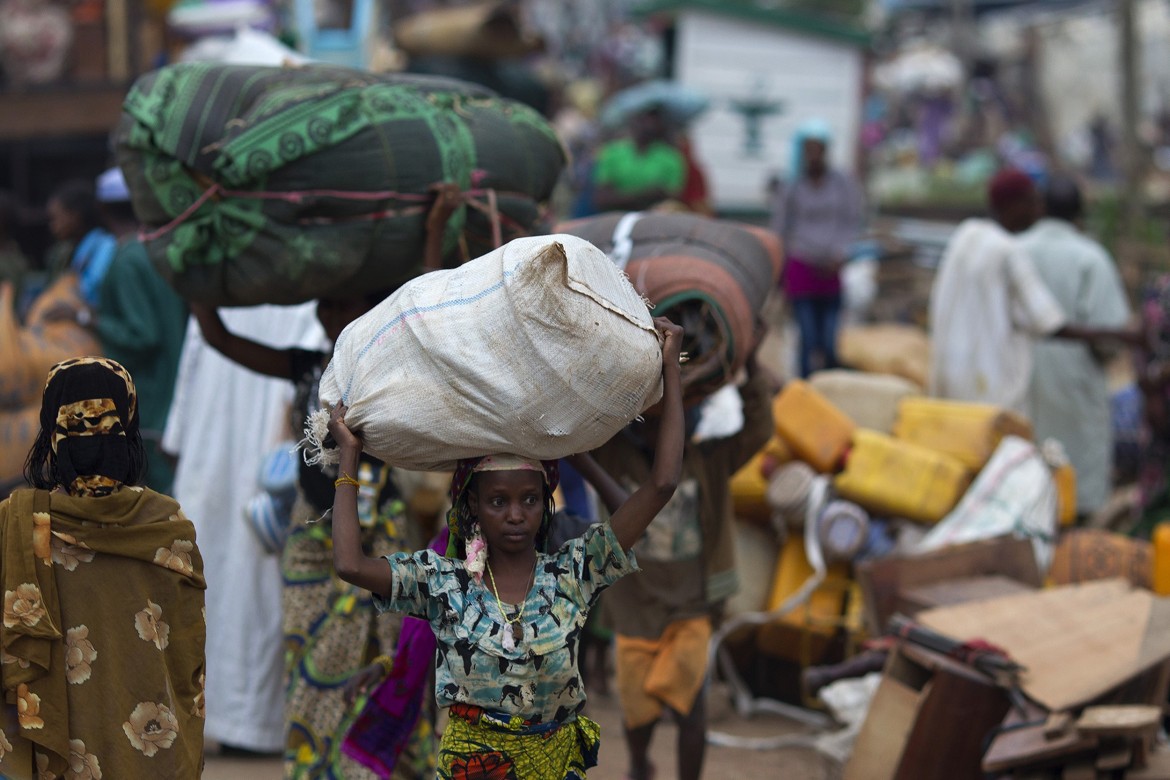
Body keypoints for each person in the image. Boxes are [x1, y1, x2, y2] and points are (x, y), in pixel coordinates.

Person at [326, 317, 686, 779]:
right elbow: (350, 564)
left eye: (529, 500)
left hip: (555, 765)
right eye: (499, 501)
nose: (516, 514)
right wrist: (350, 457)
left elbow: (662, 484)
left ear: (544, 504)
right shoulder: (443, 582)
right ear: (473, 504)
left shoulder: (574, 573)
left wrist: (670, 367)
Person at [191, 290, 437, 779]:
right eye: (326, 306)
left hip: (378, 530)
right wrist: (195, 279)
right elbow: (218, 338)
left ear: (366, 310)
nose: (332, 315)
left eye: (344, 304)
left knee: (387, 649)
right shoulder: (307, 365)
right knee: (306, 651)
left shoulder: (389, 362)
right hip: (310, 534)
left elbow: (427, 308)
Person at [0, 357, 206, 778]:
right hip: (148, 754)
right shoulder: (166, 528)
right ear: (128, 423)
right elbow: (187, 663)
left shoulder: (17, 523)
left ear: (50, 429)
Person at [590, 337, 773, 780]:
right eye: (651, 425)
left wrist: (749, 360)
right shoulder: (616, 459)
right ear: (636, 428)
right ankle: (638, 765)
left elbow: (760, 428)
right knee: (638, 713)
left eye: (671, 423)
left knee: (692, 710)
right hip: (635, 609)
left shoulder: (710, 462)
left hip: (691, 607)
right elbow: (582, 430)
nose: (661, 434)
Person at [162, 302, 324, 758]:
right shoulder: (309, 298)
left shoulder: (219, 294)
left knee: (215, 586)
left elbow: (186, 394)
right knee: (257, 593)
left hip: (212, 462)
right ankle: (256, 722)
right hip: (265, 474)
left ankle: (226, 716)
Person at [929, 168, 1140, 414]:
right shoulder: (1007, 250)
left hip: (954, 380)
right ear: (1015, 205)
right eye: (1032, 202)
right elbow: (1051, 324)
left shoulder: (967, 236)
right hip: (992, 389)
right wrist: (1127, 337)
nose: (1037, 211)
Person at [1019, 175, 1132, 519]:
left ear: (1040, 209)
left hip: (1021, 385)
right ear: (1079, 216)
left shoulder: (1016, 249)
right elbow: (1109, 337)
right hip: (1075, 390)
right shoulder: (1091, 258)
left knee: (1024, 486)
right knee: (1076, 497)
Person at [85, 167, 188, 494]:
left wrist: (91, 321)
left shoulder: (127, 259)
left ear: (102, 210)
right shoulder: (160, 249)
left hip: (151, 399)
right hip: (177, 390)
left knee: (164, 498)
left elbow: (142, 334)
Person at [769, 118, 866, 378]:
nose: (813, 155)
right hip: (801, 265)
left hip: (832, 267)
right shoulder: (793, 186)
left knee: (829, 338)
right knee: (808, 336)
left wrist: (840, 253)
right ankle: (805, 386)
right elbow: (781, 228)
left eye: (818, 148)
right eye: (808, 149)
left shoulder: (842, 184)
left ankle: (829, 384)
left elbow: (851, 220)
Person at [592, 107, 687, 212]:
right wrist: (646, 195)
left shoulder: (670, 158)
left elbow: (672, 200)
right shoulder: (613, 152)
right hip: (616, 217)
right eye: (643, 119)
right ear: (633, 121)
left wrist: (621, 196)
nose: (648, 125)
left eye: (654, 120)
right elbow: (602, 198)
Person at [44, 179, 117, 309]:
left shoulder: (105, 246)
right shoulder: (67, 251)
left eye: (55, 218)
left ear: (75, 216)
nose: (52, 226)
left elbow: (92, 294)